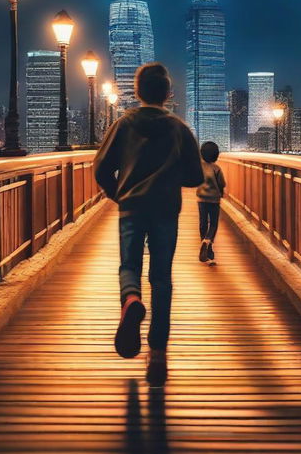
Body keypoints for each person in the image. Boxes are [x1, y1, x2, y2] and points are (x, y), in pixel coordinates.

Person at [94, 63, 203, 385]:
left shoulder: (123, 124)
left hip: (131, 208)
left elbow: (101, 169)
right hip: (166, 210)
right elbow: (196, 177)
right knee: (162, 278)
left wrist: (120, 195)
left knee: (129, 265)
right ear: (168, 95)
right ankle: (157, 354)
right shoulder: (179, 128)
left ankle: (131, 299)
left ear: (137, 92)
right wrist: (170, 179)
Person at [196, 141, 226, 264]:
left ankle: (205, 242)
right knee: (213, 223)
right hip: (214, 199)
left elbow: (195, 179)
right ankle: (208, 241)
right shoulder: (216, 168)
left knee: (203, 222)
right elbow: (222, 184)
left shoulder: (199, 166)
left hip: (202, 199)